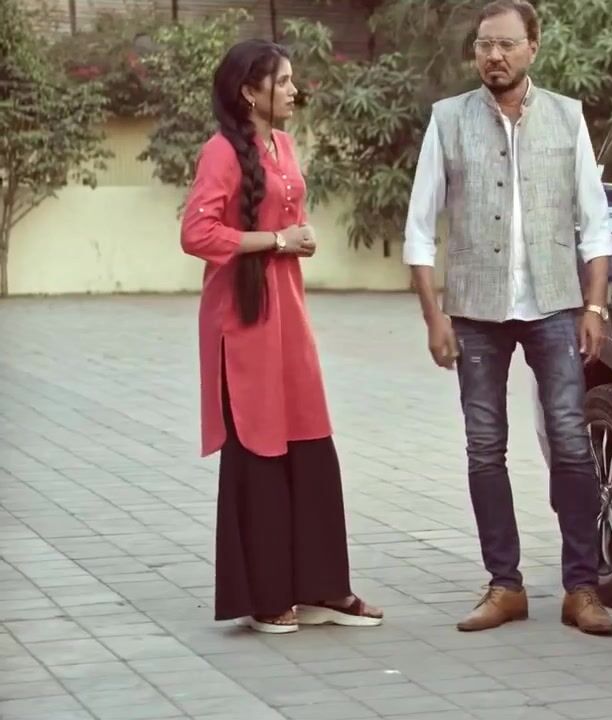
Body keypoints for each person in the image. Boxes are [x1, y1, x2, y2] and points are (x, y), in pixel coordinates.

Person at [402, 0, 612, 636]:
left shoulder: (568, 117)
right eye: (483, 45)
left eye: (506, 44)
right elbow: (419, 229)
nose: (493, 56)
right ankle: (505, 585)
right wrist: (433, 316)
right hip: (475, 310)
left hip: (554, 304)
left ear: (532, 48)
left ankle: (582, 588)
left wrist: (594, 305)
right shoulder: (448, 120)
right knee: (484, 446)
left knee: (571, 441)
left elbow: (595, 223)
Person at [179, 39, 382, 633]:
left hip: (289, 314)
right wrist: (275, 241)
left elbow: (284, 221)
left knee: (311, 438)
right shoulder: (220, 152)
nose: (295, 90)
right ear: (250, 91)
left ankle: (325, 588)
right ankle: (267, 596)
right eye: (284, 81)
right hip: (242, 320)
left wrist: (299, 236)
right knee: (259, 444)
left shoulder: (284, 144)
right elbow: (196, 233)